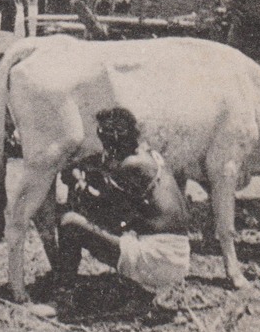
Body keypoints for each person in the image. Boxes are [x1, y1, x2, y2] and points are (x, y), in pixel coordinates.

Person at [56, 107, 192, 295]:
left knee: (70, 222)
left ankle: (62, 294)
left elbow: (108, 214)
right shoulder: (149, 155)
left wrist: (81, 185)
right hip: (177, 256)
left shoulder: (131, 165)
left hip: (158, 259)